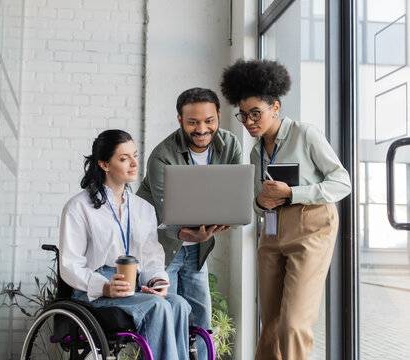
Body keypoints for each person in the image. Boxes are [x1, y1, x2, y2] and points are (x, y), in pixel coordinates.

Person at [220, 59, 351, 360]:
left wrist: (292, 193)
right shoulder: (255, 152)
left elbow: (342, 182)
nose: (249, 122)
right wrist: (259, 203)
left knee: (292, 326)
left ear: (275, 107)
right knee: (271, 327)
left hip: (311, 229)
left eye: (256, 113)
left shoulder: (305, 134)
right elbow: (257, 201)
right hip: (272, 233)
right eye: (244, 115)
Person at [59, 129, 191, 360]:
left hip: (136, 286)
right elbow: (70, 265)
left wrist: (157, 280)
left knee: (178, 304)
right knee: (157, 307)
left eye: (134, 155)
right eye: (123, 158)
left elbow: (151, 258)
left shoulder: (143, 209)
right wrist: (105, 287)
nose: (133, 163)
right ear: (104, 165)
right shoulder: (78, 207)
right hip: (96, 290)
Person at [137, 87, 242, 358]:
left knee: (201, 318)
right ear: (180, 120)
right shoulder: (162, 156)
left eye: (209, 120)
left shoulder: (230, 145)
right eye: (193, 122)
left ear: (218, 116)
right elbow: (167, 213)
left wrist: (222, 219)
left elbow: (235, 194)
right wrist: (192, 231)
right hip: (161, 247)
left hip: (197, 248)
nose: (202, 129)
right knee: (167, 318)